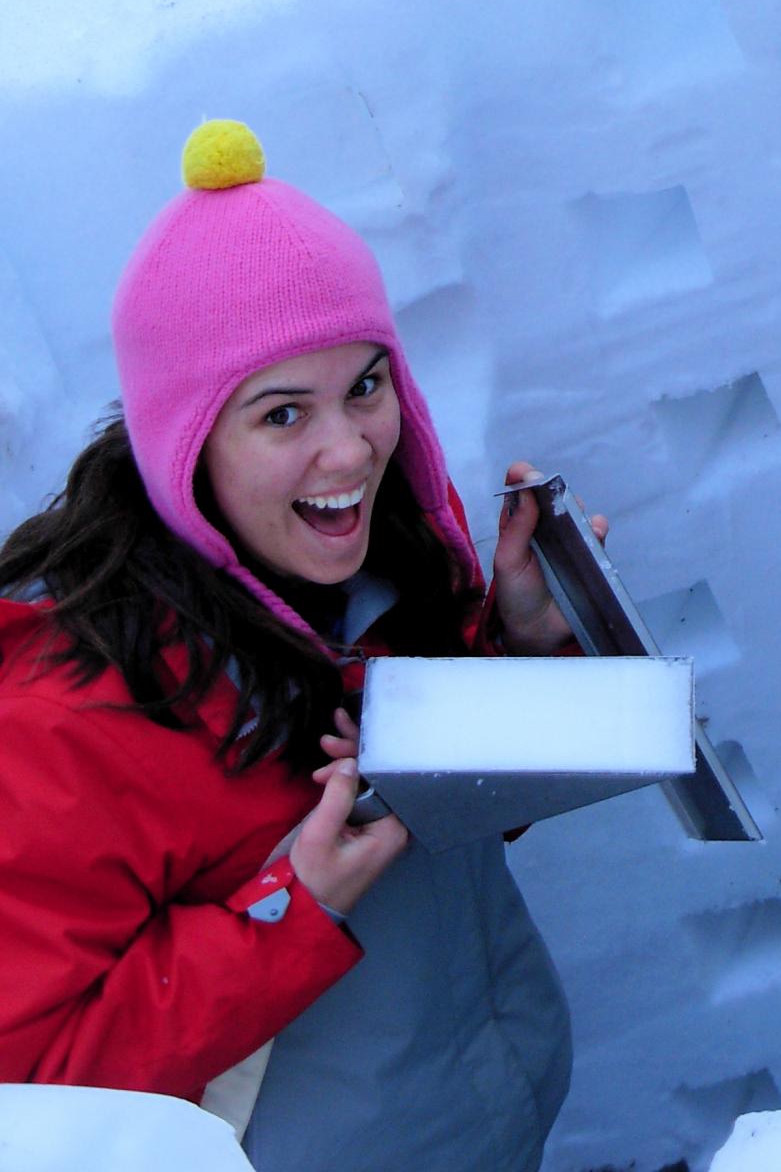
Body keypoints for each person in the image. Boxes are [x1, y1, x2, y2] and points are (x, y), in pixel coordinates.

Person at [0, 119, 582, 1170]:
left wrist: (525, 645)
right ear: (187, 437)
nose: (351, 446)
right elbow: (35, 1092)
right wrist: (290, 909)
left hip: (492, 1103)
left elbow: (443, 811)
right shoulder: (69, 719)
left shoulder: (384, 547)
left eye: (366, 383)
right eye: (282, 413)